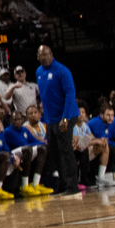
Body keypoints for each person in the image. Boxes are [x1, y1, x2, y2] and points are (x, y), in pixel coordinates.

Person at [35, 45, 80, 194]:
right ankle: (62, 183)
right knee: (54, 151)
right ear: (37, 57)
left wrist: (65, 118)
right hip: (50, 119)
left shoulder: (62, 71)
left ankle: (73, 185)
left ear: (51, 54)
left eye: (46, 54)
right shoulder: (39, 72)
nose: (44, 57)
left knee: (66, 150)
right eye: (41, 55)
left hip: (66, 116)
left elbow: (70, 94)